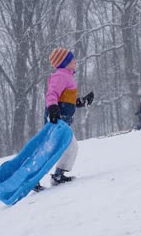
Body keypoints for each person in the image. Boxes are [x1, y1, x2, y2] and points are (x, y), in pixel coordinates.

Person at [33, 48, 94, 192]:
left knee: (69, 148)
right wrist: (53, 109)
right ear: (65, 62)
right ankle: (34, 178)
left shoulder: (67, 77)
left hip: (63, 122)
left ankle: (58, 175)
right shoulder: (60, 76)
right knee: (52, 150)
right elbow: (51, 94)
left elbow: (68, 101)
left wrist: (83, 101)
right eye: (72, 59)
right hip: (56, 121)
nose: (75, 61)